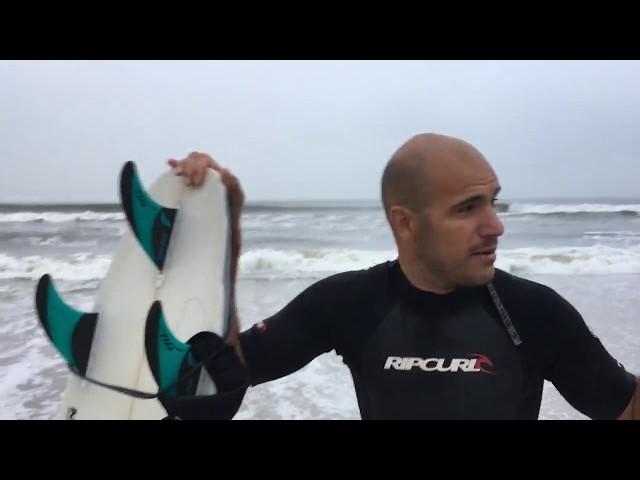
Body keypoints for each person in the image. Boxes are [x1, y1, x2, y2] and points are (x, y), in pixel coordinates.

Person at [167, 133, 639, 420]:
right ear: (405, 223)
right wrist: (220, 230)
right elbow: (219, 376)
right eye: (468, 208)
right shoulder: (347, 302)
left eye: (493, 202)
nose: (496, 225)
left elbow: (623, 407)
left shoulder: (534, 312)